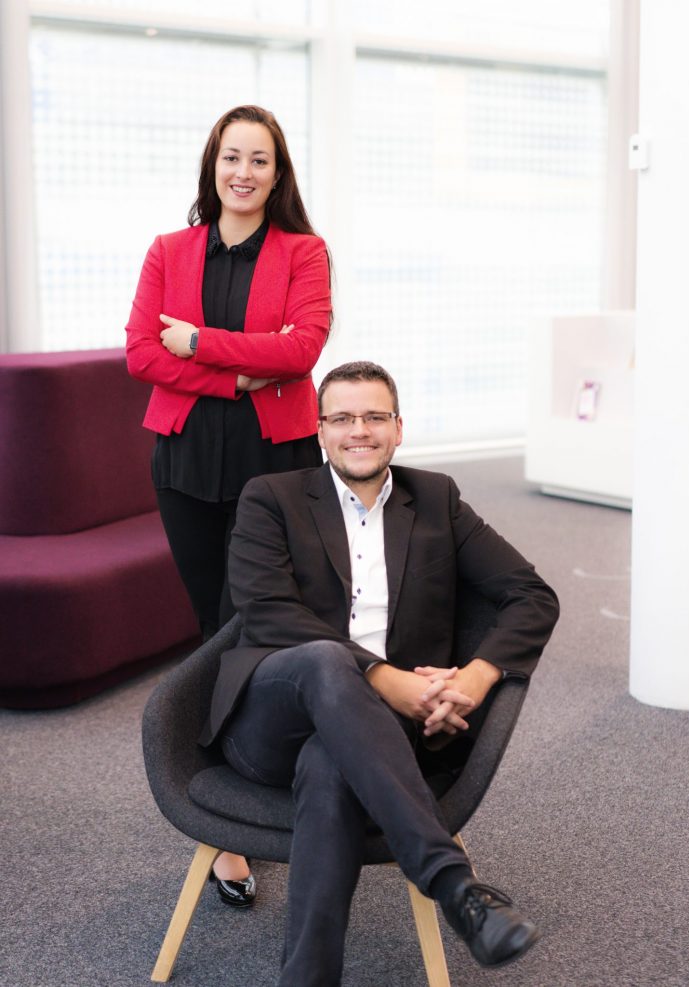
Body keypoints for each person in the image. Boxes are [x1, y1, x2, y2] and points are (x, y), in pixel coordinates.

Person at [199, 361, 560, 986]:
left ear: (399, 428)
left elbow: (531, 595)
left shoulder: (437, 499)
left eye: (373, 417)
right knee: (323, 659)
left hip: (375, 737)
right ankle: (453, 884)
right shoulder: (272, 498)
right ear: (320, 431)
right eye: (341, 418)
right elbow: (270, 612)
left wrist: (476, 677)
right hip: (270, 719)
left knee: (329, 764)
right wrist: (388, 680)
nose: (358, 431)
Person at [126, 105, 331, 907]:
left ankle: (265, 769)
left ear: (277, 175)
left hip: (274, 462)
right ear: (212, 165)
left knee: (262, 622)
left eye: (259, 160)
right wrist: (239, 373)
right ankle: (219, 819)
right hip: (183, 463)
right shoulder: (168, 249)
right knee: (211, 626)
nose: (243, 172)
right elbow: (141, 353)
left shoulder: (303, 251)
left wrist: (199, 342)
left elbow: (301, 350)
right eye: (231, 157)